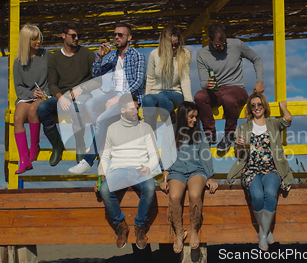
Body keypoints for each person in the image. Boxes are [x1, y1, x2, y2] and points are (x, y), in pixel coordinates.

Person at [68, 23, 146, 175]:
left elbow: (138, 82)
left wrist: (118, 97)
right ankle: (106, 141)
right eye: (115, 35)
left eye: (120, 35)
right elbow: (97, 75)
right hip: (113, 95)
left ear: (129, 37)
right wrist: (99, 57)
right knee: (89, 104)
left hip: (131, 98)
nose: (116, 37)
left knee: (102, 120)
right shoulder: (111, 56)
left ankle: (88, 160)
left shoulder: (138, 56)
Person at [227, 92, 293, 251]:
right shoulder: (243, 128)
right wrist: (239, 146)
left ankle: (262, 234)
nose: (257, 108)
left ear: (264, 106)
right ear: (250, 109)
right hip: (251, 170)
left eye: (259, 105)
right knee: (256, 195)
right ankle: (266, 231)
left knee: (270, 192)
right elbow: (238, 155)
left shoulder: (273, 124)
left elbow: (288, 120)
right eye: (253, 106)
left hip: (272, 168)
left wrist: (284, 107)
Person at [96, 94, 159, 250]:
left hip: (140, 169)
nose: (136, 112)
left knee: (150, 189)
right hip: (118, 169)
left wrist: (148, 168)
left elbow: (154, 155)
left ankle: (140, 226)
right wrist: (100, 176)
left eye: (137, 108)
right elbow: (105, 155)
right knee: (104, 189)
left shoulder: (145, 128)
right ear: (122, 110)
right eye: (132, 109)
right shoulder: (112, 129)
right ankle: (121, 225)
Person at [195, 23, 265, 151]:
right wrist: (207, 84)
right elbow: (203, 81)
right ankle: (210, 133)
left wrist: (259, 80)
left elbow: (257, 59)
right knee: (199, 96)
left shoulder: (237, 45)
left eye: (224, 44)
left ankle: (229, 134)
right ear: (209, 40)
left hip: (236, 89)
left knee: (228, 98)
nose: (222, 48)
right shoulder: (202, 54)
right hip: (216, 91)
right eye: (217, 45)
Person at [160, 101, 218, 253]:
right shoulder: (169, 132)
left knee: (194, 194)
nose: (194, 120)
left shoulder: (199, 133)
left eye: (195, 117)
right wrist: (164, 179)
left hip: (196, 171)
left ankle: (193, 230)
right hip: (176, 172)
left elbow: (205, 155)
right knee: (174, 196)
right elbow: (166, 156)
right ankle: (179, 232)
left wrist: (210, 178)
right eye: (191, 117)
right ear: (182, 115)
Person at [37, 22, 97, 166]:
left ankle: (80, 143)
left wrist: (81, 89)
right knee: (42, 108)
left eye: (78, 35)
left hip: (83, 96)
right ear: (63, 36)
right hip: (62, 97)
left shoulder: (88, 54)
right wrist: (59, 97)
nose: (76, 38)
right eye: (73, 35)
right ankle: (57, 144)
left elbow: (97, 81)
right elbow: (52, 84)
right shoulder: (54, 58)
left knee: (75, 107)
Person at [12, 24, 50, 174]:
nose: (38, 41)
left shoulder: (46, 55)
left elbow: (53, 76)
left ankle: (34, 146)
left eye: (39, 38)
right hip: (26, 96)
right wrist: (30, 94)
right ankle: (24, 160)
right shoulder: (18, 61)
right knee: (17, 118)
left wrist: (43, 92)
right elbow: (18, 87)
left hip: (44, 94)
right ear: (25, 40)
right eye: (33, 39)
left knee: (34, 110)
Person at [142, 25, 192, 132]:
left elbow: (185, 79)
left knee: (163, 96)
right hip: (156, 93)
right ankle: (150, 135)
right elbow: (150, 79)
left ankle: (173, 128)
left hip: (175, 94)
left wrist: (189, 102)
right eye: (171, 45)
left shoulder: (184, 53)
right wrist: (147, 98)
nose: (174, 48)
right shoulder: (154, 54)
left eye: (177, 44)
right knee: (147, 99)